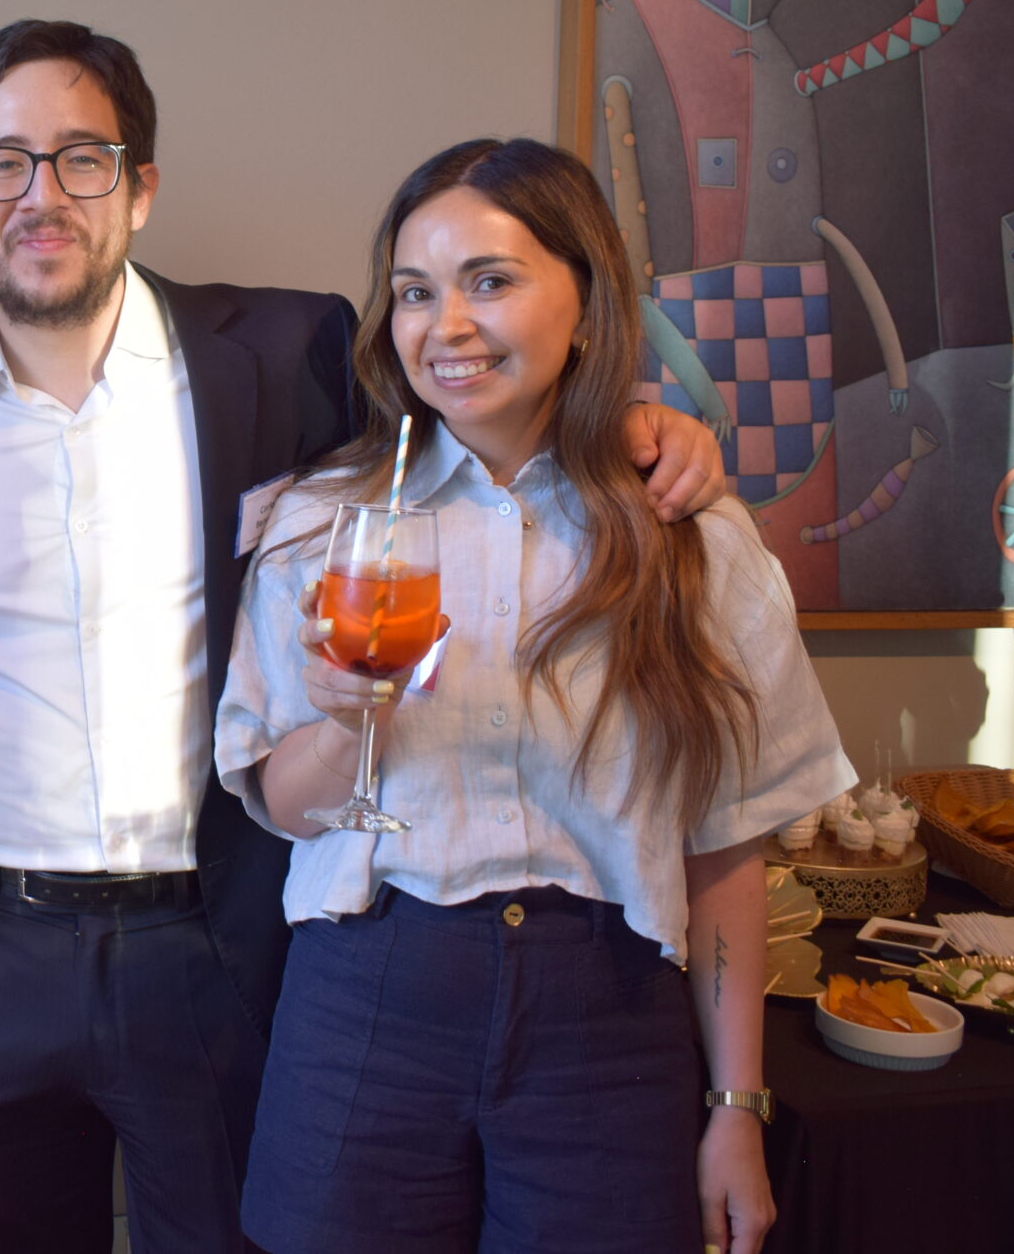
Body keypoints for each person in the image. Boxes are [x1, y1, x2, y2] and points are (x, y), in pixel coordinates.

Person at [0, 22, 730, 1254]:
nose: (41, 194)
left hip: (214, 941)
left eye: (81, 157)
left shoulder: (283, 352)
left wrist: (639, 421)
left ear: (140, 187)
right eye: (1, 163)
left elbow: (478, 403)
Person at [218, 137, 854, 1254]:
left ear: (588, 304)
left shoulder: (690, 536)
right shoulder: (324, 524)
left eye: (491, 281)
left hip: (607, 1020)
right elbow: (281, 805)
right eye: (415, 291)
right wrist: (346, 719)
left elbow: (726, 846)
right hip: (367, 999)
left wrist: (735, 1108)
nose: (445, 325)